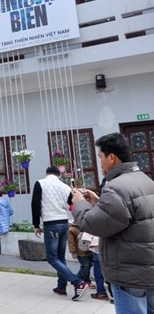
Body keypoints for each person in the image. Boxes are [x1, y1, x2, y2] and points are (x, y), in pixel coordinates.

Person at [71, 133, 154, 313]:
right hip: (147, 269)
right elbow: (127, 215)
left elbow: (91, 223)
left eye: (100, 157)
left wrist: (79, 203)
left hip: (129, 272)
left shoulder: (117, 187)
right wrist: (100, 203)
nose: (100, 162)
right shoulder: (145, 180)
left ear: (111, 157)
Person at [31, 166, 88, 301]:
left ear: (47, 174)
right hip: (64, 222)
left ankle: (78, 282)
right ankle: (61, 286)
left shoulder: (40, 183)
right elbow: (71, 203)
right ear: (59, 176)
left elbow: (35, 204)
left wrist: (36, 225)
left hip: (51, 223)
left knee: (52, 258)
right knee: (60, 256)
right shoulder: (65, 186)